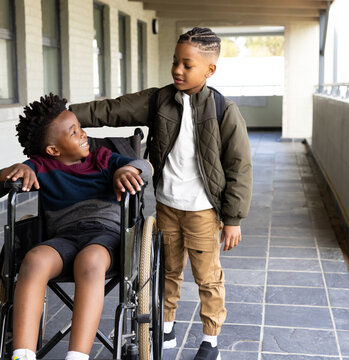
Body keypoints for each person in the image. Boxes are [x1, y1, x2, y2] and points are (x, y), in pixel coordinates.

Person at [69, 27, 252, 360]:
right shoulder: (159, 100)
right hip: (167, 206)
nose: (178, 70)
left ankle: (211, 341)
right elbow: (113, 109)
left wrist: (233, 219)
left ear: (210, 70)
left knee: (207, 277)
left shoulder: (225, 111)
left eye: (187, 64)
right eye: (175, 62)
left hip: (202, 210)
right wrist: (68, 113)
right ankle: (165, 331)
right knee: (166, 272)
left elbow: (239, 167)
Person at [0, 93, 152, 360]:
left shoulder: (104, 159)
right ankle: (22, 354)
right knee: (34, 260)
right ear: (53, 150)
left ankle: (77, 356)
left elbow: (145, 166)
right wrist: (11, 172)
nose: (84, 135)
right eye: (74, 132)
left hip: (106, 236)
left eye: (80, 128)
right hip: (63, 238)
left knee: (90, 260)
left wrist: (128, 171)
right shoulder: (40, 166)